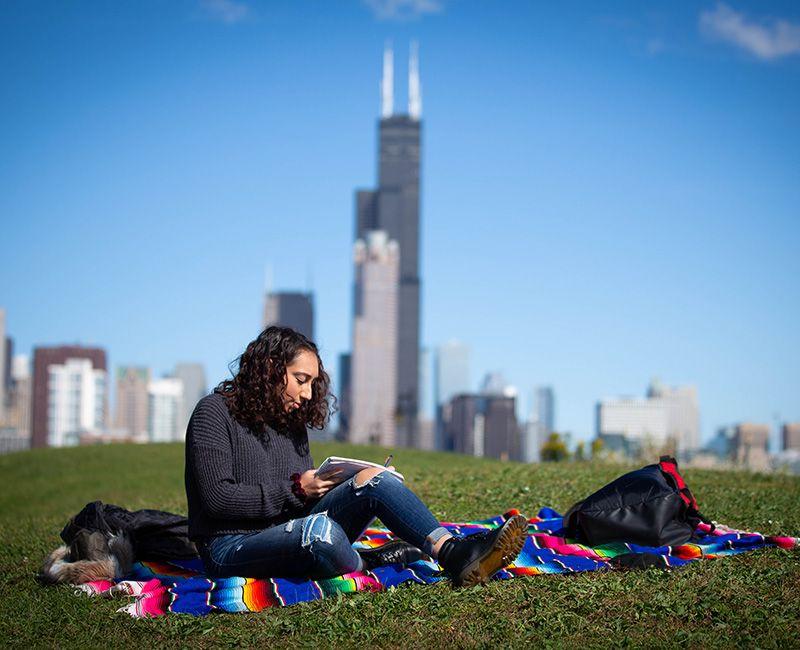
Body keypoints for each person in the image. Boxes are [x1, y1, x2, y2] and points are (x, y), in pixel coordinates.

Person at [184, 326, 527, 588]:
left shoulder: (291, 424)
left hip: (290, 529)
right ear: (271, 369)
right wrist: (298, 490)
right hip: (229, 547)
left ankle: (454, 553)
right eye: (301, 380)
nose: (306, 394)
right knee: (320, 533)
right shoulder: (213, 413)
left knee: (374, 481)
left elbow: (298, 502)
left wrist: (344, 483)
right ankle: (366, 562)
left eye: (312, 384)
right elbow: (217, 500)